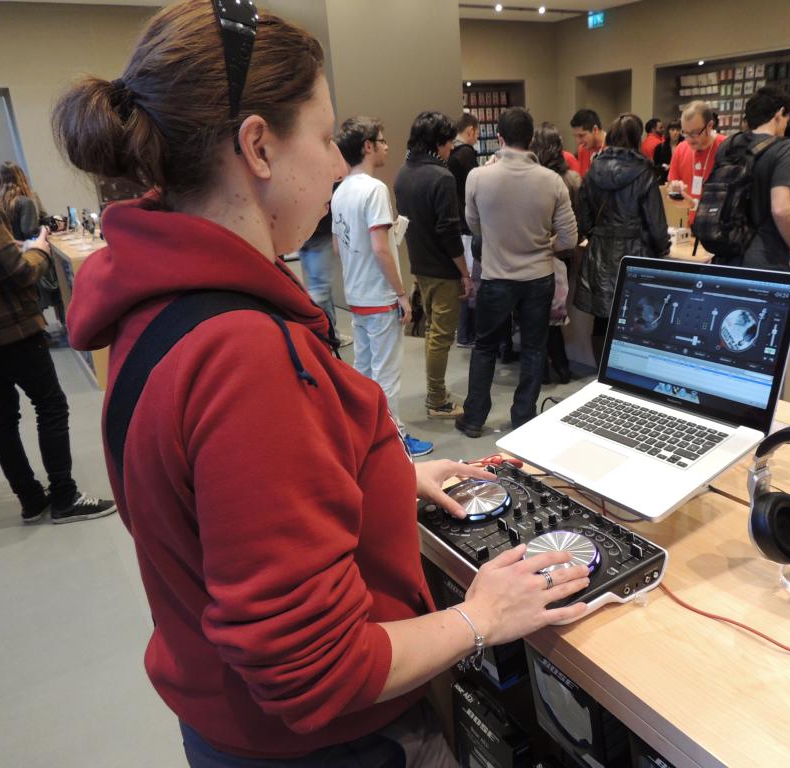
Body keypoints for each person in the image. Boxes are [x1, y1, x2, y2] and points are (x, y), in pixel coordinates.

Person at [52, 3, 590, 764]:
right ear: (258, 146)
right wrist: (482, 616)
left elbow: (222, 511)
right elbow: (316, 671)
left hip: (223, 720)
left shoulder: (155, 304)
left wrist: (376, 478)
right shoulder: (243, 353)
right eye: (325, 136)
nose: (340, 166)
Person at [0, 103, 115, 525]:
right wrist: (38, 250)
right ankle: (64, 496)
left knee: (1, 413)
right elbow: (19, 273)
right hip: (11, 328)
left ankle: (30, 498)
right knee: (50, 405)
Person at [459, 108, 577, 437]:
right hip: (538, 277)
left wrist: (499, 238)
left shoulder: (478, 177)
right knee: (534, 348)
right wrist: (540, 245)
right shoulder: (552, 181)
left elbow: (472, 223)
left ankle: (474, 418)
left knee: (484, 347)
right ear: (532, 141)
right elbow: (568, 237)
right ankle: (523, 415)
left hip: (496, 275)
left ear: (498, 138)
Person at [331, 117, 433, 457]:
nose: (388, 146)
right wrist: (402, 295)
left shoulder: (341, 189)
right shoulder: (374, 190)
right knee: (388, 375)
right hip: (380, 296)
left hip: (357, 295)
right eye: (383, 140)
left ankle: (366, 437)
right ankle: (395, 441)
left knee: (364, 370)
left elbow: (338, 246)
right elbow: (379, 247)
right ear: (367, 146)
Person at [394, 111, 471, 420]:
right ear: (439, 143)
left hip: (420, 264)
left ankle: (435, 391)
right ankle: (437, 400)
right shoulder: (441, 177)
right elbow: (449, 232)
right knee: (441, 335)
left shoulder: (403, 173)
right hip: (443, 269)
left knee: (432, 333)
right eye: (448, 142)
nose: (451, 148)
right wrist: (465, 272)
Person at [575, 113, 669, 363]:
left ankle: (601, 375)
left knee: (602, 321)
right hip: (635, 255)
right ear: (638, 139)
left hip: (600, 254)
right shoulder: (644, 172)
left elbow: (582, 220)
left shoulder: (594, 169)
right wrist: (662, 249)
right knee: (636, 321)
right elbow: (657, 225)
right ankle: (628, 377)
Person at [712, 86, 790, 273]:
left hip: (724, 253)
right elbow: (781, 209)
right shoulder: (784, 148)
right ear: (779, 114)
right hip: (764, 259)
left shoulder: (728, 144)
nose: (785, 125)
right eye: (786, 118)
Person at [530, 121, 582, 385]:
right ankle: (561, 369)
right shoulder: (572, 179)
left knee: (537, 320)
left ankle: (543, 373)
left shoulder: (536, 183)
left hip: (538, 258)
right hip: (564, 256)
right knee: (553, 318)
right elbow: (577, 226)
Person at [0, 160, 64, 322]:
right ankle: (66, 326)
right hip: (33, 253)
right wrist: (47, 228)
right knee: (58, 291)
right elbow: (30, 230)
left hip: (13, 256)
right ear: (21, 176)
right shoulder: (25, 201)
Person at [666, 101, 726, 225]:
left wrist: (694, 204)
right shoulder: (681, 149)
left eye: (694, 133)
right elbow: (673, 185)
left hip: (722, 228)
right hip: (693, 226)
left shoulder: (727, 147)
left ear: (710, 126)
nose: (689, 139)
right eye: (685, 133)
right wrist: (676, 190)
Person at [448, 112, 479, 347]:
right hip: (468, 226)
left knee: (463, 279)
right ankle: (468, 334)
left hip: (455, 225)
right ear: (470, 130)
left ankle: (464, 333)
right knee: (470, 281)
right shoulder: (467, 155)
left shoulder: (448, 155)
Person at [297, 212, 349, 346]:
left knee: (320, 288)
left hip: (304, 233)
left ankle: (331, 333)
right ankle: (326, 337)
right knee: (320, 291)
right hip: (320, 232)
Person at [570, 108, 606, 175]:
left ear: (595, 130)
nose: (578, 142)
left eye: (581, 136)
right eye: (575, 136)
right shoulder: (582, 150)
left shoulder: (613, 147)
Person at [652, 119, 680, 184]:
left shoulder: (685, 147)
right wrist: (664, 167)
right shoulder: (660, 147)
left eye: (678, 130)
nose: (675, 132)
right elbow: (655, 167)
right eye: (672, 130)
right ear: (668, 131)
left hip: (681, 181)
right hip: (665, 180)